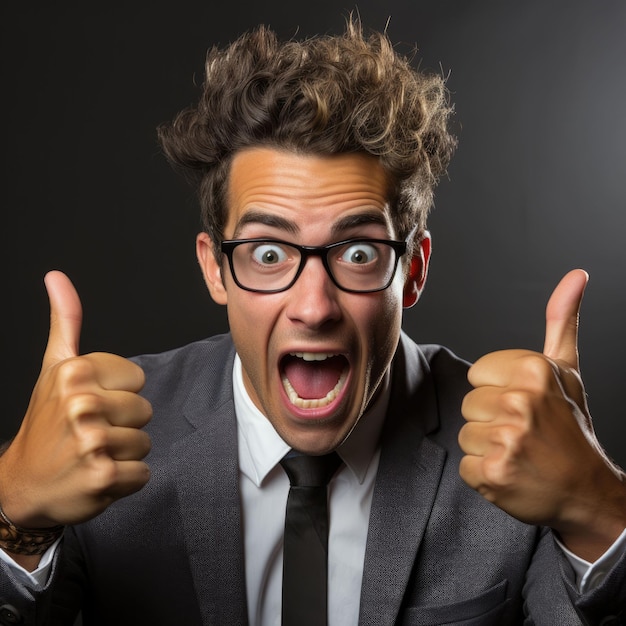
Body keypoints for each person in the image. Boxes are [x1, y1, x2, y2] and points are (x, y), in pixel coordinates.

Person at [0, 17, 625, 626]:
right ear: (215, 269)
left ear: (413, 269)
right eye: (268, 254)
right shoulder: (105, 434)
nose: (314, 307)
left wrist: (603, 511)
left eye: (358, 253)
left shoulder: (519, 446)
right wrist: (12, 509)